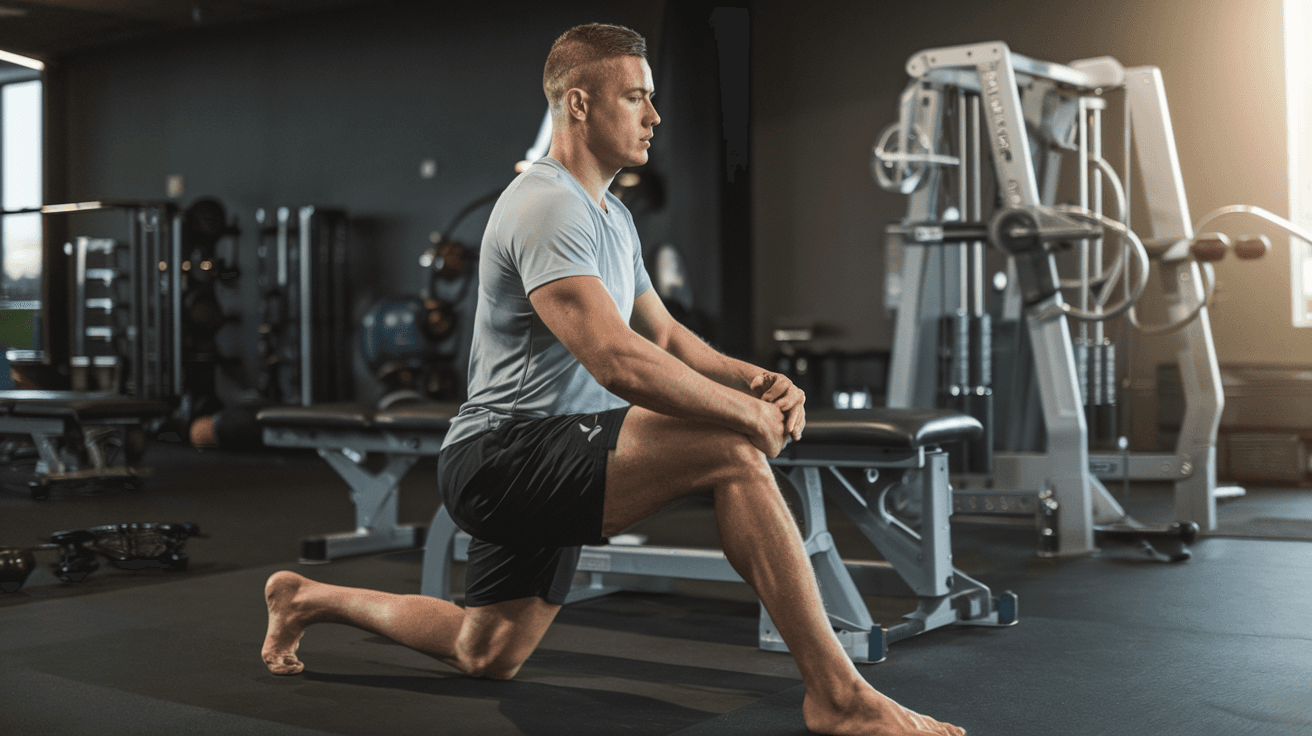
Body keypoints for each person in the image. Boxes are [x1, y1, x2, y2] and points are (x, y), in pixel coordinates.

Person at [261, 22, 964, 736]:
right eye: (636, 97)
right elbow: (615, 359)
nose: (654, 116)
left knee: (486, 650)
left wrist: (757, 382)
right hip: (502, 457)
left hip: (552, 449)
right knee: (731, 450)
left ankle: (306, 598)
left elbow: (664, 336)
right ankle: (838, 696)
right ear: (579, 103)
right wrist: (739, 416)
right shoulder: (545, 206)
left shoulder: (613, 216)